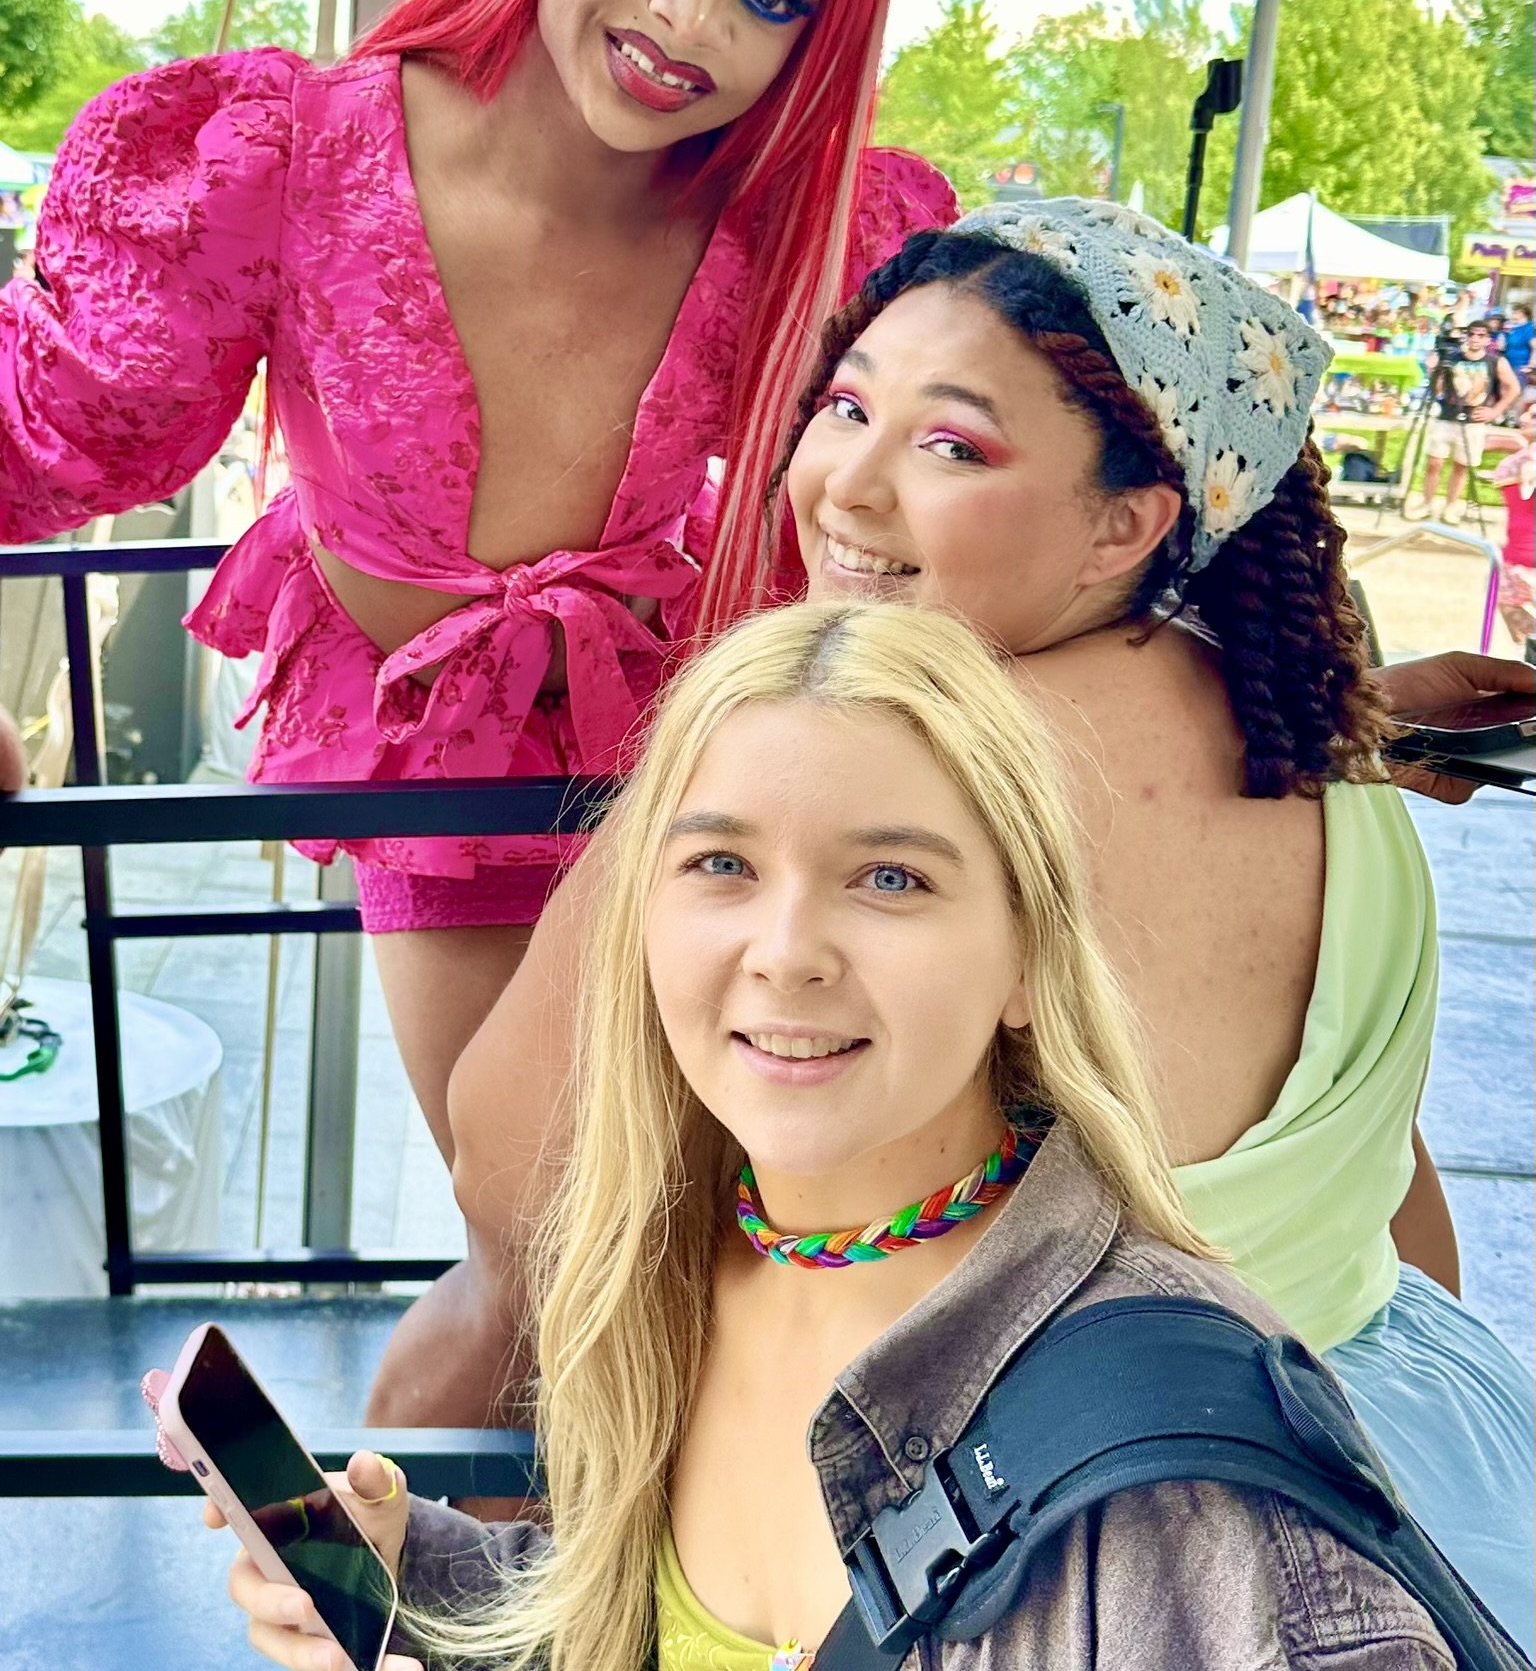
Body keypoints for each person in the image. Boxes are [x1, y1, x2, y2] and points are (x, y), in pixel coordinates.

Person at [0, 0, 955, 1399]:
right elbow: (56, 422)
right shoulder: (286, 152)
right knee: (550, 1235)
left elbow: (1006, 469)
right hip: (434, 754)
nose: (690, 21)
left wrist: (1309, 680)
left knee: (689, 1240)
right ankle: (395, 1591)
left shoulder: (800, 224)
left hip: (685, 768)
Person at [443, 199, 1534, 1639]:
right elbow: (1393, 1206)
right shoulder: (1329, 752)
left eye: (952, 444)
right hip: (1398, 1452)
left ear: (1128, 523)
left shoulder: (899, 772)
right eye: (846, 409)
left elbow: (508, 1161)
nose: (847, 489)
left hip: (1044, 1528)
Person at [204, 599, 1484, 1671]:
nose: (787, 952)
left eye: (892, 878)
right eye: (721, 865)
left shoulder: (1180, 1475)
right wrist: (415, 1579)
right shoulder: (668, 1272)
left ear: (1028, 959)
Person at [1405, 319, 1523, 524]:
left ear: (1488, 339)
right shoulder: (1452, 357)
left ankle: (1451, 506)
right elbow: (1438, 389)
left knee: (1461, 465)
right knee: (1435, 462)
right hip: (1447, 416)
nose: (1475, 339)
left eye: (1481, 335)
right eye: (1472, 334)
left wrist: (1495, 411)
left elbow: (1513, 388)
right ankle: (1427, 502)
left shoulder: (1495, 361)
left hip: (1473, 420)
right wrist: (1434, 370)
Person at [1491, 406, 1535, 658]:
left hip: (1523, 552)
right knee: (1508, 603)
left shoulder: (1517, 463)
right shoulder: (1514, 463)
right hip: (1518, 551)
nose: (1524, 418)